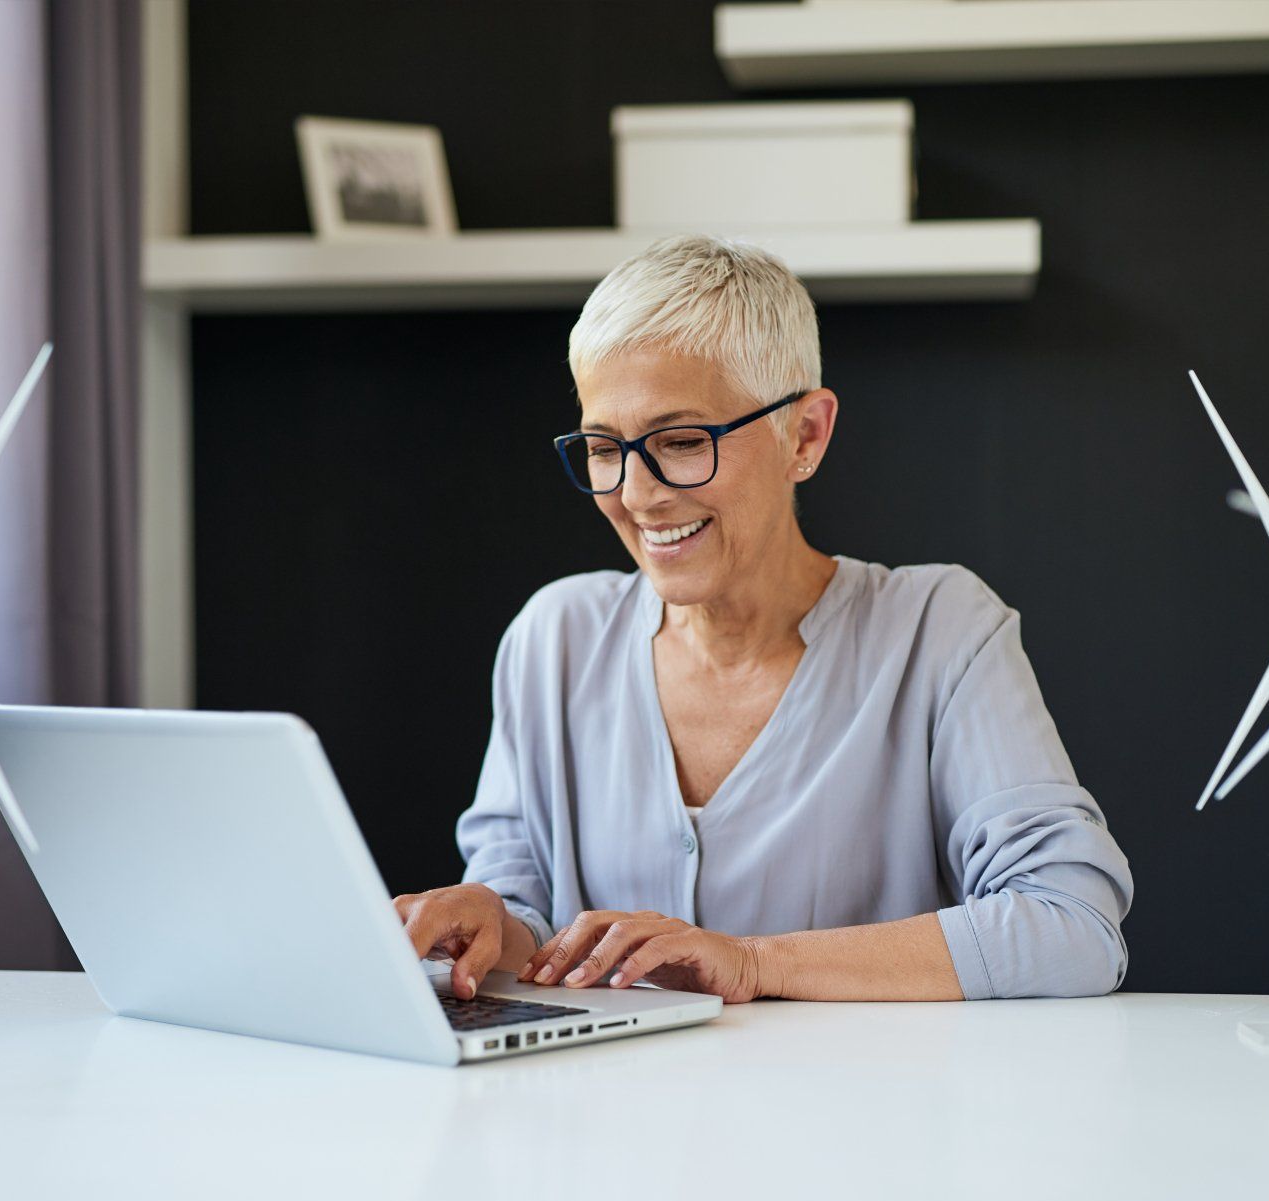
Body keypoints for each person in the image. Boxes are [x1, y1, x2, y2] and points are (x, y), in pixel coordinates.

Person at [393, 234, 1132, 1004]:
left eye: (681, 441)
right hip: (607, 1124)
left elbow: (1072, 923)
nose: (638, 495)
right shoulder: (554, 640)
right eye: (605, 448)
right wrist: (487, 923)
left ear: (804, 435)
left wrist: (754, 962)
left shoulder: (940, 632)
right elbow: (527, 926)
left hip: (873, 1122)